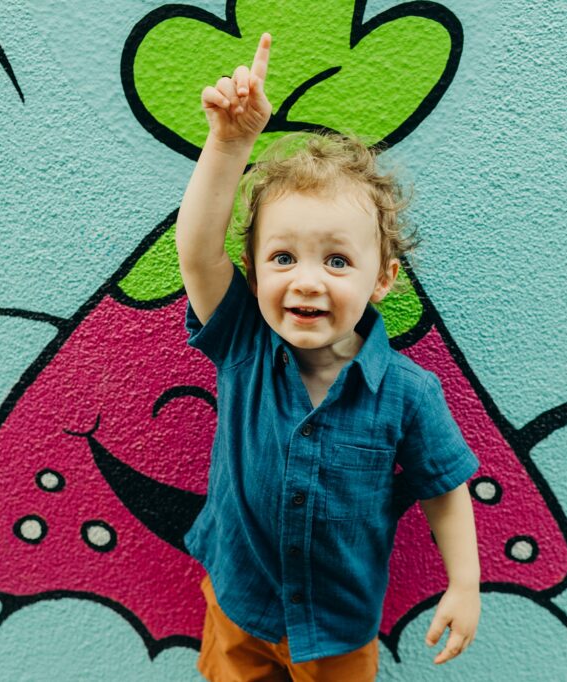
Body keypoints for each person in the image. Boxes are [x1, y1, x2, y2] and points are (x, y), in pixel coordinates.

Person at [176, 32, 482, 681]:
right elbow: (197, 252)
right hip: (240, 608)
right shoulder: (243, 346)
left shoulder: (408, 393)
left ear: (382, 279)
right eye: (283, 257)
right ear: (255, 275)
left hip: (339, 630)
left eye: (337, 260)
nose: (308, 280)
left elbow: (444, 488)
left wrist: (465, 582)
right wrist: (229, 145)